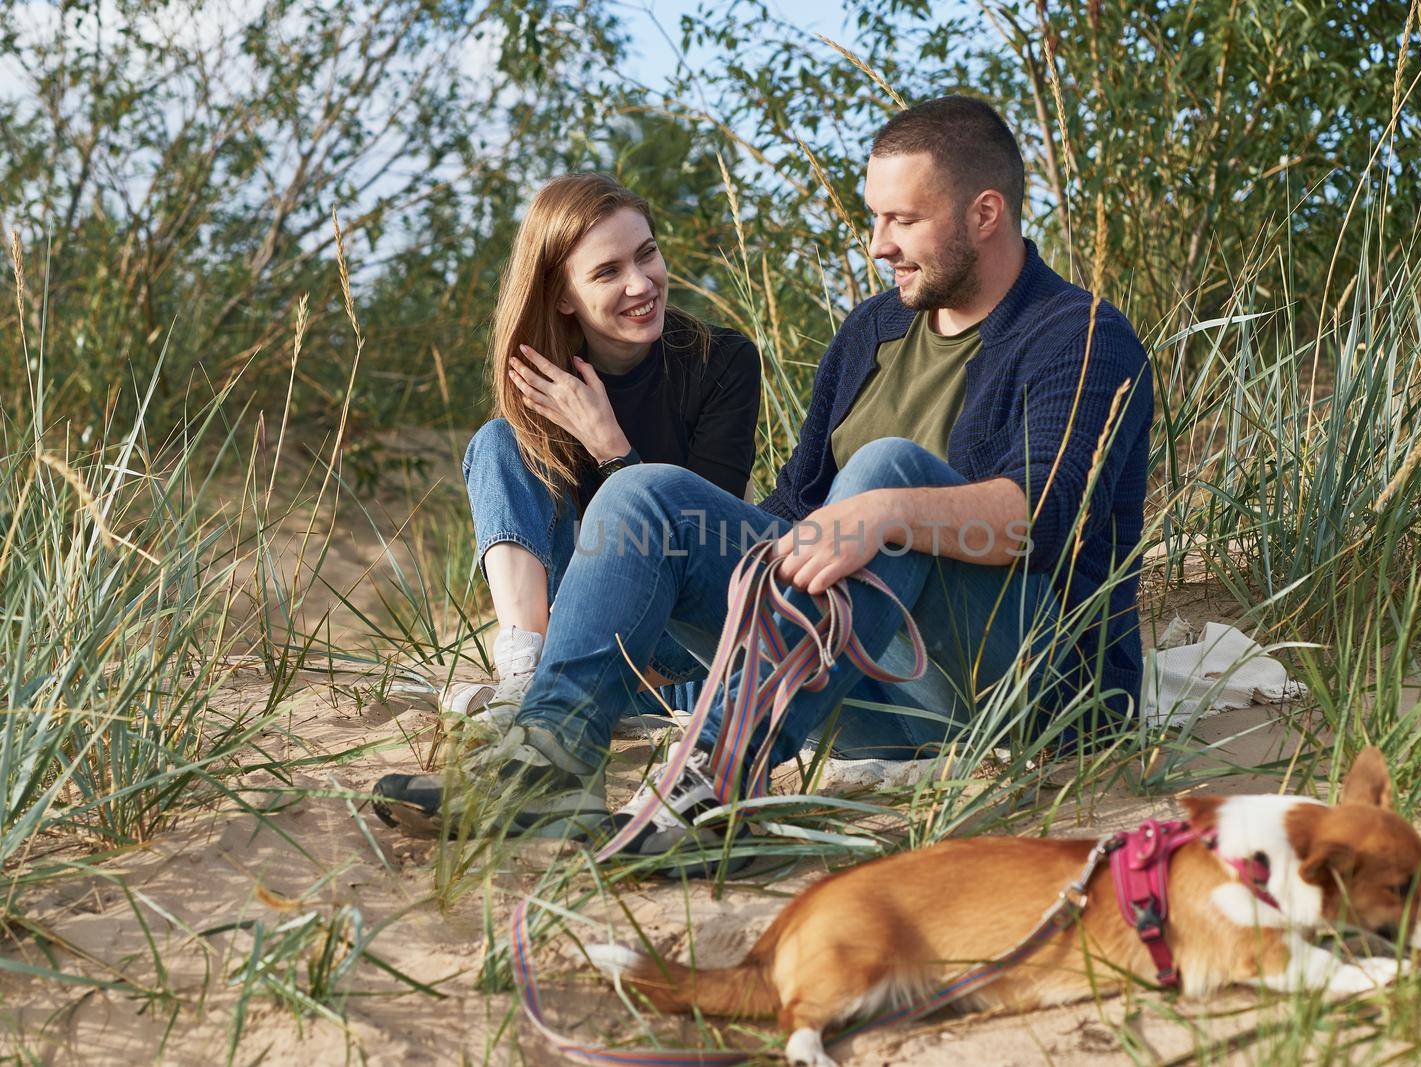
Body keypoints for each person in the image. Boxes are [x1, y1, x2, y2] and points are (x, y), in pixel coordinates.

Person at [372, 97, 1151, 852]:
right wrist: (670, 579)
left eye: (902, 220)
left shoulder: (1080, 337)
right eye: (875, 217)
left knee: (888, 470)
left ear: (985, 214)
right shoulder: (875, 329)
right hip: (857, 690)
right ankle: (545, 763)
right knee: (645, 493)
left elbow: (1039, 520)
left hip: (1016, 688)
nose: (878, 244)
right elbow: (790, 508)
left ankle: (712, 773)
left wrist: (885, 511)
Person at [379, 174, 761, 834]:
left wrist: (610, 445)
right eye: (608, 271)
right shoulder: (542, 382)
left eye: (647, 254)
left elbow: (706, 536)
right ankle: (525, 677)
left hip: (678, 641)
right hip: (572, 629)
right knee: (499, 441)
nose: (641, 284)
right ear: (561, 295)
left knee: (651, 515)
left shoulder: (721, 362)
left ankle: (549, 707)